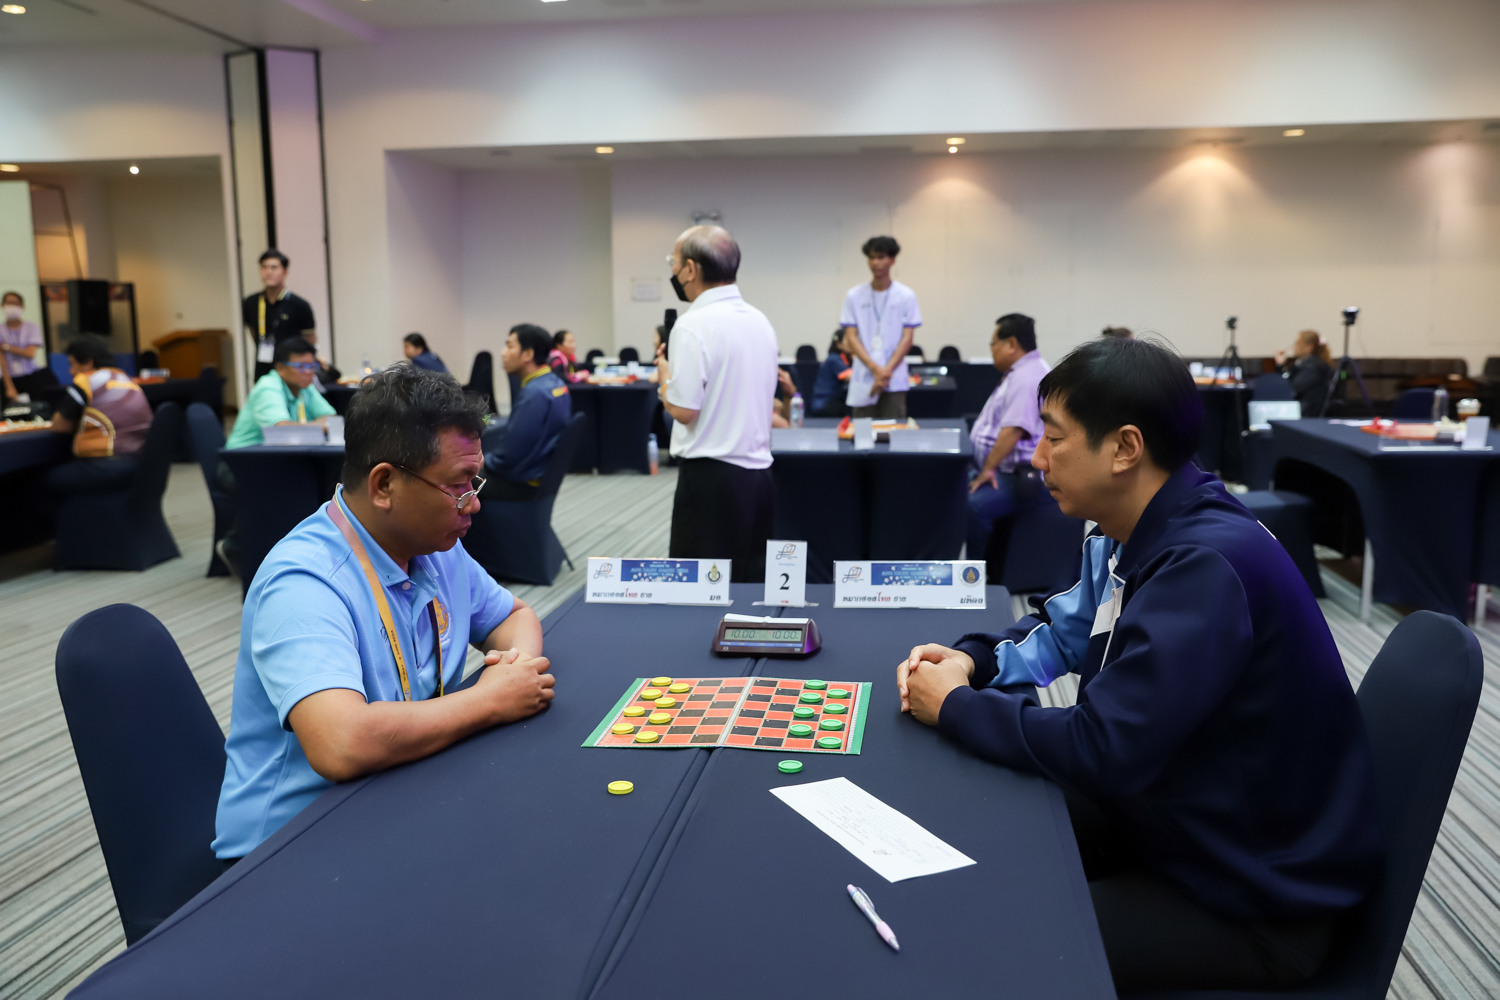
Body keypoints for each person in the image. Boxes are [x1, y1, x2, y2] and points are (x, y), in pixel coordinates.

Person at [896, 337, 1382, 992]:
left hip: (1252, 897)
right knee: (984, 829)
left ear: (1125, 448)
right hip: (1172, 823)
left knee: (994, 934)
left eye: (1055, 439)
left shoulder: (1204, 565)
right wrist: (973, 661)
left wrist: (955, 706)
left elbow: (1102, 747)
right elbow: (1063, 630)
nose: (1037, 459)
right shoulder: (1134, 530)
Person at [213, 365, 553, 859]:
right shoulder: (304, 582)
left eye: (474, 482)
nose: (473, 504)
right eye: (458, 486)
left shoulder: (434, 546)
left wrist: (514, 672)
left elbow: (512, 617)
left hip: (397, 792)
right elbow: (342, 744)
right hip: (292, 847)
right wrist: (491, 700)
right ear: (384, 485)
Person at [656, 225, 778, 583]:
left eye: (674, 262)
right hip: (759, 476)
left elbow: (684, 410)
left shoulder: (692, 325)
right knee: (750, 584)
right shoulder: (759, 320)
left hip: (711, 479)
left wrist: (664, 378)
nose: (673, 270)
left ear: (690, 269)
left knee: (700, 591)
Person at [966, 314, 1051, 561]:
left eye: (993, 343)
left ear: (1011, 344)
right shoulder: (1022, 372)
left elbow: (1013, 431)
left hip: (1020, 476)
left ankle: (975, 571)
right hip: (1006, 470)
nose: (991, 349)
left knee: (974, 505)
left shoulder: (1027, 378)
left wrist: (987, 470)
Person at [46, 333, 155, 492]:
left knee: (39, 480)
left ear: (88, 362)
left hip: (106, 463)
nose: (71, 371)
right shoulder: (125, 379)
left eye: (72, 364)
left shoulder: (87, 380)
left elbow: (60, 425)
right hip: (139, 463)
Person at [484, 323, 572, 500]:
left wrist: (481, 462)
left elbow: (509, 456)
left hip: (521, 483)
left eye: (509, 346)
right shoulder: (556, 384)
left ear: (528, 354)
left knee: (453, 481)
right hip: (541, 475)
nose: (503, 352)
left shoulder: (533, 395)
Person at [840, 235, 921, 419]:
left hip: (894, 377)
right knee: (862, 431)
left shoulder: (906, 296)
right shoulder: (854, 295)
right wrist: (875, 369)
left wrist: (885, 372)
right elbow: (851, 337)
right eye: (871, 257)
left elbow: (907, 338)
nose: (875, 262)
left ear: (892, 260)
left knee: (894, 430)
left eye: (881, 257)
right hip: (864, 374)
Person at [225, 338, 336, 450]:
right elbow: (282, 431)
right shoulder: (268, 387)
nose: (308, 372)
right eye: (301, 367)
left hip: (277, 451)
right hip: (244, 453)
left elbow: (332, 419)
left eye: (312, 366)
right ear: (280, 368)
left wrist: (309, 427)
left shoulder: (305, 387)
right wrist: (320, 426)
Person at [242, 249, 317, 382]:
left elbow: (309, 340)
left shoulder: (299, 305)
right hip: (263, 365)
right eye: (264, 267)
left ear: (285, 272)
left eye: (274, 267)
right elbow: (253, 332)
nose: (268, 272)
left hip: (291, 368)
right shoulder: (251, 302)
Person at [0, 291, 56, 403]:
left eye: (15, 303)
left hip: (30, 375)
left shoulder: (32, 327)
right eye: (9, 303)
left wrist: (6, 347)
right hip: (9, 377)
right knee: (11, 409)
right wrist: (9, 386)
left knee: (37, 407)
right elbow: (2, 359)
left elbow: (29, 353)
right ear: (3, 305)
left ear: (22, 306)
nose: (12, 307)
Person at [1275, 329, 1333, 416]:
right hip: (1302, 412)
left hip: (1308, 416)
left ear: (1309, 347)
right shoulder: (1301, 364)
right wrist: (1280, 366)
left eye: (1298, 343)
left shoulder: (1313, 367)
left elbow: (1293, 387)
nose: (1294, 346)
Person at [810, 329, 852, 417]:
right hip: (825, 402)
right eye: (849, 340)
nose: (853, 344)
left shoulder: (842, 359)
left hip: (832, 401)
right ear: (839, 344)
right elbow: (851, 378)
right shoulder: (834, 359)